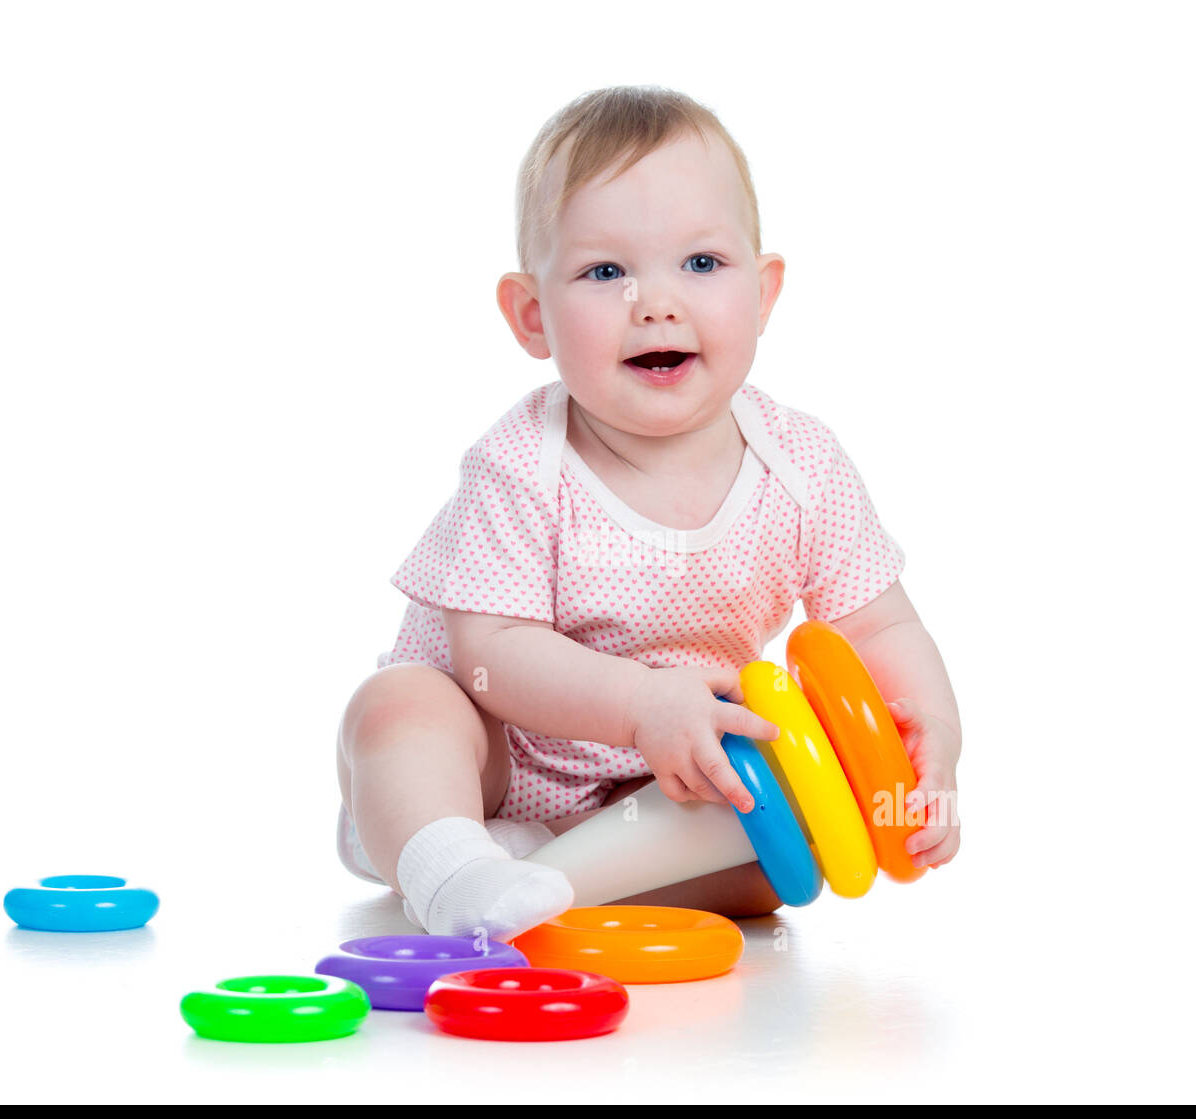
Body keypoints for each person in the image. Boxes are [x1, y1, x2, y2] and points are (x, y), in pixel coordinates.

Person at [334, 85, 962, 940]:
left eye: (701, 264)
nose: (656, 303)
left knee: (778, 860)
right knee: (400, 709)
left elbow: (878, 631)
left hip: (671, 780)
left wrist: (928, 755)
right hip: (496, 757)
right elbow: (494, 659)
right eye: (606, 272)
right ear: (532, 316)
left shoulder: (802, 464)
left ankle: (547, 878)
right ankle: (444, 856)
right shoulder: (521, 463)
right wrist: (640, 707)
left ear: (766, 292)